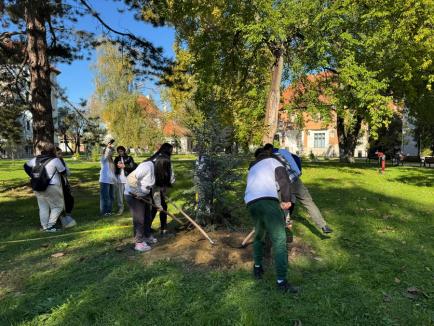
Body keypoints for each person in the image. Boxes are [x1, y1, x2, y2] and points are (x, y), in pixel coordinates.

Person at [244, 147, 298, 293]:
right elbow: (284, 180)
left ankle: (257, 268)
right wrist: (287, 200)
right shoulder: (274, 161)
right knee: (280, 239)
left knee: (259, 234)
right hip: (267, 200)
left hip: (250, 202)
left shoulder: (253, 166)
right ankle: (282, 282)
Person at [263, 144, 333, 234]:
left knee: (282, 206)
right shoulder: (281, 153)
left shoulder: (266, 161)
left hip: (281, 185)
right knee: (308, 202)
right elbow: (295, 160)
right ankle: (323, 226)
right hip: (294, 180)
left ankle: (280, 227)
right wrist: (297, 173)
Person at [124, 152, 174, 252]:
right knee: (140, 219)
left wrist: (159, 205)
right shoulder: (147, 167)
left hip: (144, 194)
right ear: (161, 165)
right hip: (132, 194)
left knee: (148, 217)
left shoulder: (157, 172)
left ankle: (146, 236)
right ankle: (139, 243)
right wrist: (136, 192)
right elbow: (130, 178)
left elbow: (155, 191)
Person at [24, 143, 66, 232]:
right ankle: (51, 226)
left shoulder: (36, 159)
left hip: (38, 186)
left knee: (43, 207)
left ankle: (44, 227)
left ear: (43, 150)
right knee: (58, 206)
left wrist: (33, 176)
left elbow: (26, 166)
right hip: (52, 186)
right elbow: (63, 171)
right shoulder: (55, 160)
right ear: (53, 151)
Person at [149, 143, 176, 236]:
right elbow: (168, 175)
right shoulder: (162, 159)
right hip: (154, 186)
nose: (172, 152)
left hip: (157, 185)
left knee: (156, 207)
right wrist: (162, 187)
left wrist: (164, 188)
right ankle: (162, 228)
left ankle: (150, 227)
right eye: (171, 150)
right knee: (160, 207)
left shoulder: (155, 157)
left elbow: (167, 176)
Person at [56, 147, 77, 228]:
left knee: (70, 199)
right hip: (57, 185)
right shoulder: (53, 161)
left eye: (61, 153)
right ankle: (60, 218)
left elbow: (67, 172)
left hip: (64, 183)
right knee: (60, 202)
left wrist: (65, 171)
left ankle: (68, 215)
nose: (61, 155)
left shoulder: (62, 161)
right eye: (58, 153)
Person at [113, 146, 136, 215]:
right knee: (119, 195)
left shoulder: (129, 158)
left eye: (121, 151)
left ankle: (132, 208)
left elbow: (133, 167)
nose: (120, 153)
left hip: (128, 178)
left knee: (130, 194)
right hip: (119, 179)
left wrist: (124, 166)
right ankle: (120, 208)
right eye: (118, 151)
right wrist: (117, 166)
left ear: (124, 151)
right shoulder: (117, 158)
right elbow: (114, 168)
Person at [99, 139, 116, 216]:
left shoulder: (111, 160)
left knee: (111, 197)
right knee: (105, 197)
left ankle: (109, 211)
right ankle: (104, 212)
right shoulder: (103, 159)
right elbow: (106, 153)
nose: (111, 153)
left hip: (111, 180)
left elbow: (113, 171)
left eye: (112, 152)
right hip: (104, 180)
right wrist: (108, 146)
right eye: (110, 151)